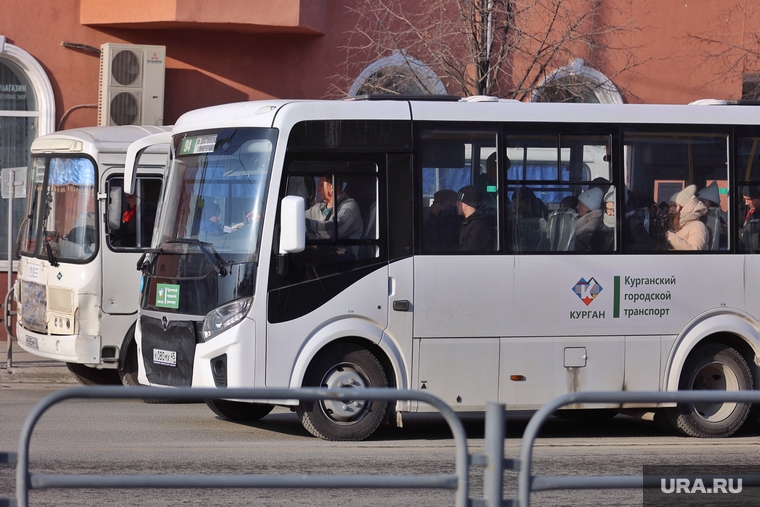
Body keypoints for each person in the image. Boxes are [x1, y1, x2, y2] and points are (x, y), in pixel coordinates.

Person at [305, 176, 363, 241]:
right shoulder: (319, 207)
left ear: (332, 187)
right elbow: (303, 216)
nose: (317, 189)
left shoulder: (350, 206)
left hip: (339, 250)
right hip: (320, 248)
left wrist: (308, 225)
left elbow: (336, 227)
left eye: (320, 185)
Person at [665, 184, 709, 250]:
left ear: (685, 208)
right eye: (671, 206)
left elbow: (695, 250)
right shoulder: (678, 226)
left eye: (674, 205)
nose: (671, 209)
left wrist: (669, 236)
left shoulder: (698, 226)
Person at [456, 185, 495, 251]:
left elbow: (470, 252)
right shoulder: (468, 222)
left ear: (467, 203)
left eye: (459, 201)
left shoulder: (479, 226)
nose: (456, 204)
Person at [575, 187, 606, 251]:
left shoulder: (592, 224)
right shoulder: (584, 221)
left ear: (589, 207)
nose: (577, 206)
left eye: (580, 204)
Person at [739, 184, 760, 252]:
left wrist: (736, 232)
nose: (746, 203)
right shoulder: (744, 210)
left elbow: (754, 242)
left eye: (749, 199)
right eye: (745, 199)